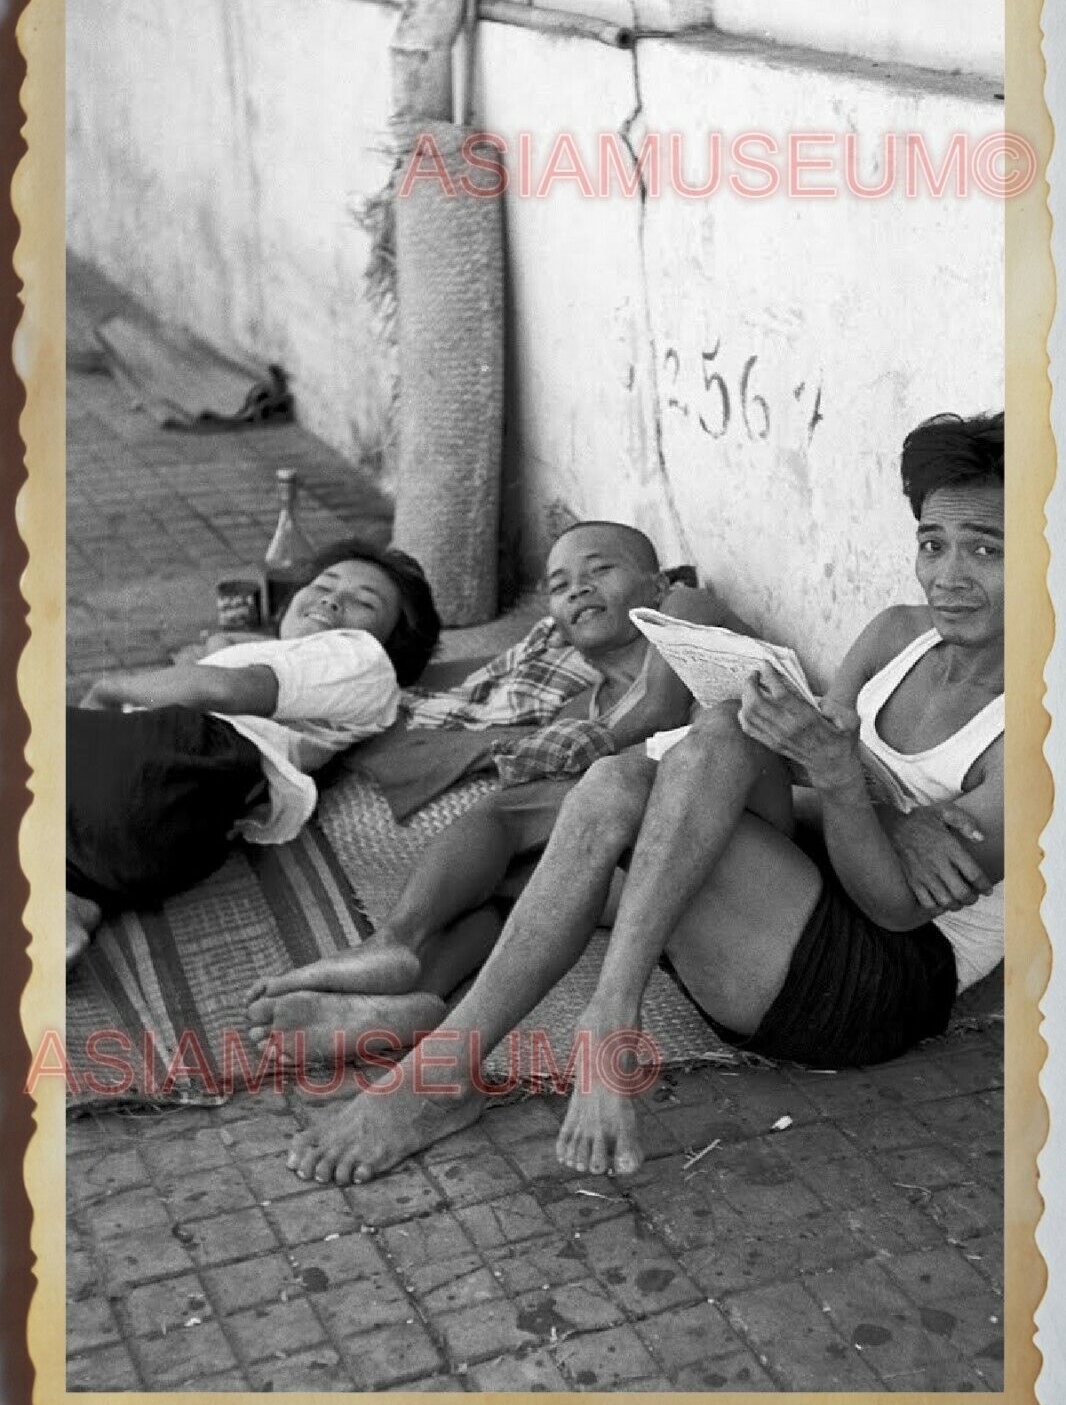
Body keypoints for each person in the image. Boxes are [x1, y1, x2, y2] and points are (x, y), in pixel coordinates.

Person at [282, 411, 1005, 1187]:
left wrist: (839, 784)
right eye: (934, 543)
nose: (948, 576)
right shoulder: (899, 633)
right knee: (635, 773)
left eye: (987, 549)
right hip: (804, 895)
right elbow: (811, 773)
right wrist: (884, 812)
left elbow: (897, 907)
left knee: (647, 797)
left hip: (872, 982)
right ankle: (476, 1050)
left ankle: (573, 1016)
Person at [245, 521, 734, 1059]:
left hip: (734, 834)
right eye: (560, 585)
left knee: (503, 815)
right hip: (659, 869)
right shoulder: (582, 706)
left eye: (601, 569)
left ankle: (396, 941)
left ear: (657, 583)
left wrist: (592, 743)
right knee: (507, 884)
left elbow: (662, 706)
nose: (579, 589)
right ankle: (421, 995)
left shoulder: (687, 608)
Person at [66, 539, 441, 969]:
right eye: (324, 584)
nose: (333, 601)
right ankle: (72, 910)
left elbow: (224, 689)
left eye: (364, 602)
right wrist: (224, 645)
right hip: (173, 832)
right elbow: (239, 663)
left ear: (393, 644)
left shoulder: (360, 654)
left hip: (174, 757)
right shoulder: (302, 662)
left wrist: (109, 688)